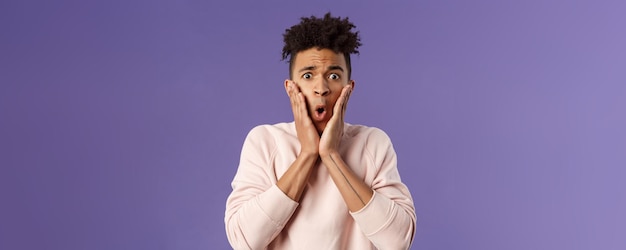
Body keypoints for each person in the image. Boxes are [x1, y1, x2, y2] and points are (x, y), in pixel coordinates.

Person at [225, 12, 416, 250]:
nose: (321, 88)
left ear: (349, 87)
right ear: (290, 87)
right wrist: (307, 154)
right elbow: (244, 241)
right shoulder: (264, 141)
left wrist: (331, 156)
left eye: (333, 76)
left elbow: (397, 242)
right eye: (308, 75)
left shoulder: (373, 142)